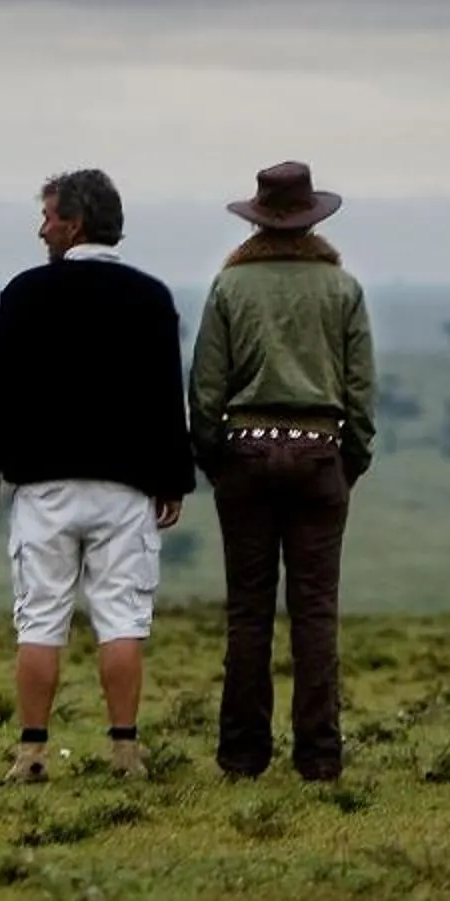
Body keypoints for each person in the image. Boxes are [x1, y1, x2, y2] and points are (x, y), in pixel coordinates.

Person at [0, 168, 194, 783]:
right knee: (121, 618)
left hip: (44, 488)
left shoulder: (25, 293)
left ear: (76, 222)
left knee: (39, 618)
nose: (42, 228)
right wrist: (173, 478)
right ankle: (125, 750)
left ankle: (32, 751)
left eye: (48, 216)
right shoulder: (151, 298)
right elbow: (165, 399)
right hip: (125, 489)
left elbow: (0, 387)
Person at [188, 160, 374, 782]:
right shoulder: (342, 288)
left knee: (248, 613)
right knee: (316, 614)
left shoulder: (229, 288)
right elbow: (360, 390)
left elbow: (206, 387)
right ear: (313, 218)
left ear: (257, 218)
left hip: (243, 452)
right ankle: (319, 758)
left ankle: (242, 757)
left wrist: (214, 455)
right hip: (321, 452)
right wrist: (349, 461)